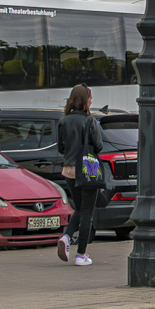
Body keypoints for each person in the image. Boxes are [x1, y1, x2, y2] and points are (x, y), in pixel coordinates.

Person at [56, 84, 103, 266]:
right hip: (87, 169)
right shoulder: (89, 121)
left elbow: (61, 148)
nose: (91, 100)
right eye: (90, 97)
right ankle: (81, 254)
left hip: (68, 170)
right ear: (85, 100)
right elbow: (98, 146)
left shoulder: (63, 121)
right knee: (87, 213)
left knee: (80, 208)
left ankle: (67, 238)